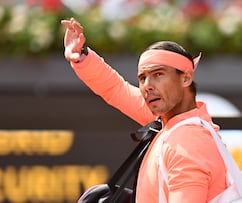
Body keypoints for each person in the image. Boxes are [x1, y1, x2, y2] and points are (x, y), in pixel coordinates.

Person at [61, 18, 227, 203]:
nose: (147, 86)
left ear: (186, 78)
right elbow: (116, 89)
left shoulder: (187, 142)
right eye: (142, 78)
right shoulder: (172, 123)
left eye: (158, 74)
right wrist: (81, 56)